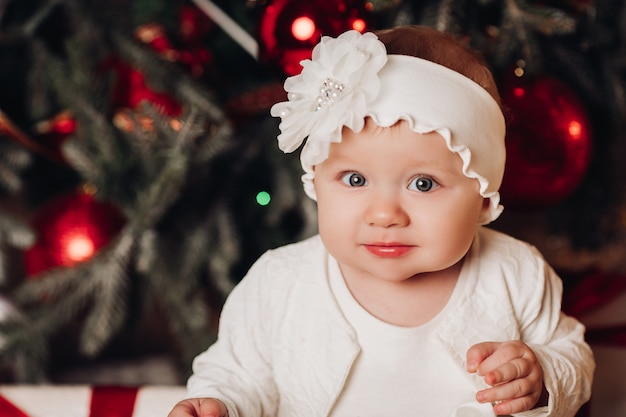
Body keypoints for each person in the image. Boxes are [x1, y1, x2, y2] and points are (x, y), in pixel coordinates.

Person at [168, 25, 594, 417]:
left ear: (484, 197)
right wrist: (221, 405)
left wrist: (542, 376)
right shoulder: (280, 283)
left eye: (423, 184)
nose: (385, 214)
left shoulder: (516, 273)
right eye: (355, 179)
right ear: (316, 181)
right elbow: (240, 376)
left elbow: (574, 357)